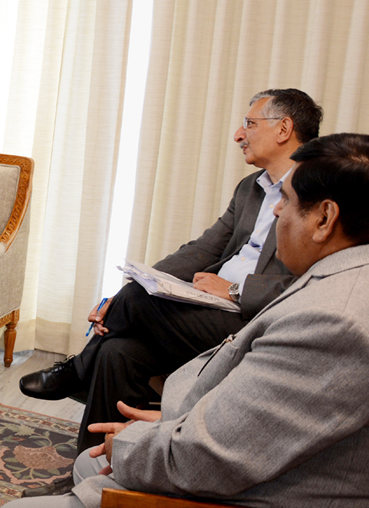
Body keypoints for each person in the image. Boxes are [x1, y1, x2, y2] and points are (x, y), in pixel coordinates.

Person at [0, 132, 369, 508]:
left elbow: (207, 460)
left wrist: (146, 438)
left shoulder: (334, 324)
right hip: (290, 474)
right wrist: (172, 424)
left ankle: (75, 374)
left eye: (289, 202)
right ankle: (85, 381)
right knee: (113, 373)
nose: (277, 210)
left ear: (324, 219)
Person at [18, 89, 321, 478]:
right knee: (117, 353)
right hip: (206, 309)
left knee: (135, 304)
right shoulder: (251, 188)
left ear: (284, 129)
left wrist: (233, 290)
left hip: (248, 321)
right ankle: (89, 478)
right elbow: (204, 248)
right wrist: (141, 282)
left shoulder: (315, 194)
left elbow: (311, 282)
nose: (238, 134)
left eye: (249, 123)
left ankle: (77, 369)